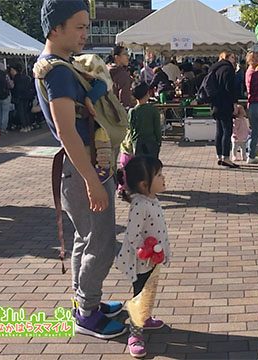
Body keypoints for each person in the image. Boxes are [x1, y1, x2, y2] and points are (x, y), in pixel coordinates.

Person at [34, 0, 125, 339]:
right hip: (84, 166)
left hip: (79, 167)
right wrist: (93, 181)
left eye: (86, 26)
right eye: (79, 27)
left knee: (84, 240)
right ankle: (87, 312)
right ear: (55, 29)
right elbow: (68, 131)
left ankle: (85, 302)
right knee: (100, 242)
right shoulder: (57, 70)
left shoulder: (56, 65)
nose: (86, 34)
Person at [115, 156, 170, 358]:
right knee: (140, 295)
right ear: (144, 184)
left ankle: (144, 318)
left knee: (150, 290)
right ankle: (135, 335)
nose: (163, 178)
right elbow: (132, 235)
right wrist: (145, 249)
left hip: (153, 260)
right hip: (142, 261)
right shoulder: (140, 204)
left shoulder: (151, 199)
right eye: (159, 175)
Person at [208, 51, 240, 169]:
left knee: (219, 130)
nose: (234, 59)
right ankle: (226, 158)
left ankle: (220, 155)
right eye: (232, 57)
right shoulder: (228, 69)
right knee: (227, 130)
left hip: (215, 104)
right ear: (226, 58)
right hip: (225, 104)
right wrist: (234, 104)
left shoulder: (214, 69)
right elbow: (230, 89)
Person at [128, 82, 161, 158]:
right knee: (152, 166)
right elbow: (157, 128)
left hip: (137, 142)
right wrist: (159, 141)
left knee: (140, 166)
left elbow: (131, 129)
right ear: (147, 94)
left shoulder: (132, 111)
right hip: (152, 142)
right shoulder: (153, 110)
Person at [9, 63, 34, 132]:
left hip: (19, 97)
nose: (11, 72)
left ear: (15, 70)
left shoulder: (16, 78)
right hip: (27, 96)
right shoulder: (25, 77)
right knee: (26, 111)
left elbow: (15, 88)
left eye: (11, 70)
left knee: (21, 112)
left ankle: (24, 126)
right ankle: (29, 125)